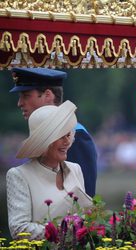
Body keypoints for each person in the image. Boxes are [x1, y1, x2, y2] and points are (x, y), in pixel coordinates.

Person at [6, 100, 92, 240]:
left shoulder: (75, 169)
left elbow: (84, 217)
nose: (66, 141)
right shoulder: (19, 175)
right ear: (44, 141)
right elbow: (19, 229)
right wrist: (62, 232)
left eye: (68, 134)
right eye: (60, 136)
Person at [9, 67, 97, 197]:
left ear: (48, 95)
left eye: (26, 96)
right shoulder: (39, 134)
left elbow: (85, 196)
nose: (20, 103)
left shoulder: (77, 135)